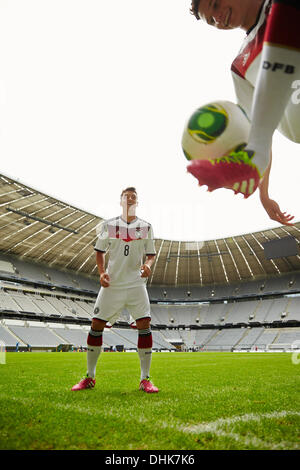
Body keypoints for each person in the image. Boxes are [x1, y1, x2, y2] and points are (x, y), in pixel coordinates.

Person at [188, 0, 300, 226]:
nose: (218, 19)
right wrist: (263, 193)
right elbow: (258, 128)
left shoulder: (281, 7)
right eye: (211, 21)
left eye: (216, 4)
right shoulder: (239, 66)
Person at [71, 187, 158, 393]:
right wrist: (101, 273)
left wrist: (148, 265)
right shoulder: (108, 225)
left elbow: (151, 254)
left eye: (133, 197)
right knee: (96, 324)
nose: (130, 200)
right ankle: (89, 377)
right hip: (113, 284)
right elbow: (99, 252)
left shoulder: (146, 227)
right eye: (126, 197)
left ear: (137, 202)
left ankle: (145, 379)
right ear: (120, 201)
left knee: (144, 324)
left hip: (136, 283)